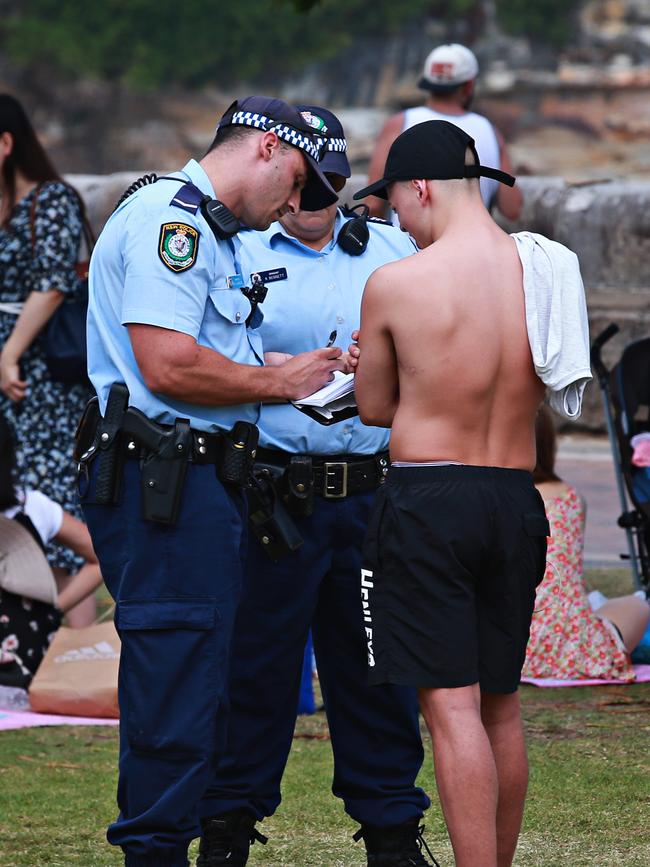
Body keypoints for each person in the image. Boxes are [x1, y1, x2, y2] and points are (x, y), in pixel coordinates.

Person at [79, 95, 346, 867]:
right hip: (166, 482)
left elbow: (208, 359)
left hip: (200, 483)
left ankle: (170, 842)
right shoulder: (176, 220)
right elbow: (167, 363)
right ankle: (155, 851)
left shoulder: (219, 235)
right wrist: (278, 386)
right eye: (296, 182)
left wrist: (307, 375)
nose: (296, 205)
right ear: (265, 148)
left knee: (201, 686)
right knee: (175, 686)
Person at [198, 106, 435, 867]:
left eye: (331, 188)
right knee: (255, 670)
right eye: (306, 187)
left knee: (376, 669)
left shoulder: (392, 251)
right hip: (273, 492)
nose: (313, 203)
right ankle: (228, 826)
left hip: (367, 490)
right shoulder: (231, 250)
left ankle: (392, 831)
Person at [348, 119, 587, 867]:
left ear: (420, 188)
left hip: (428, 500)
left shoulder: (396, 282)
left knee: (450, 707)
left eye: (395, 206)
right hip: (515, 496)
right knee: (501, 702)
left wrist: (369, 361)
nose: (396, 221)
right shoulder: (542, 267)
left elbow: (375, 409)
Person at [0, 94, 94, 579]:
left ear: (6, 143)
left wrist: (8, 355)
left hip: (42, 376)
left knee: (50, 507)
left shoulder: (51, 200)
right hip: (11, 374)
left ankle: (74, 647)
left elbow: (54, 283)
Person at [523, 405, 650, 681]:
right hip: (574, 649)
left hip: (506, 644)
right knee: (639, 606)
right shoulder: (570, 498)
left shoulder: (498, 497)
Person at [0, 411, 102, 688]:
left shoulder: (32, 506)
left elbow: (100, 556)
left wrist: (56, 608)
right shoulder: (31, 505)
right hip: (28, 656)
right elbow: (102, 556)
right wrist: (53, 610)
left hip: (18, 661)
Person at [364, 43, 522, 222]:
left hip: (409, 247)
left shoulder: (398, 124)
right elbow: (512, 208)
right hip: (469, 245)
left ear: (428, 82)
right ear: (469, 85)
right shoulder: (489, 130)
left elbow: (373, 204)